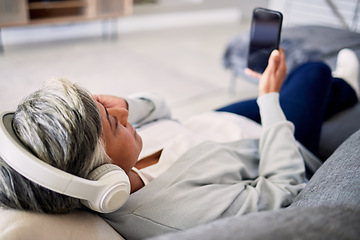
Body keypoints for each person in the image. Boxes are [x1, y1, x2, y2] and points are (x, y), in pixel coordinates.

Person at [0, 48, 358, 239]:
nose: (124, 115)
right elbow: (285, 187)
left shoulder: (115, 157)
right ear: (105, 182)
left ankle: (338, 92)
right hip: (268, 139)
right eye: (113, 122)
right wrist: (268, 102)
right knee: (312, 73)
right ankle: (347, 85)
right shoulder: (177, 216)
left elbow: (165, 113)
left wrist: (123, 105)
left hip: (209, 125)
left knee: (296, 83)